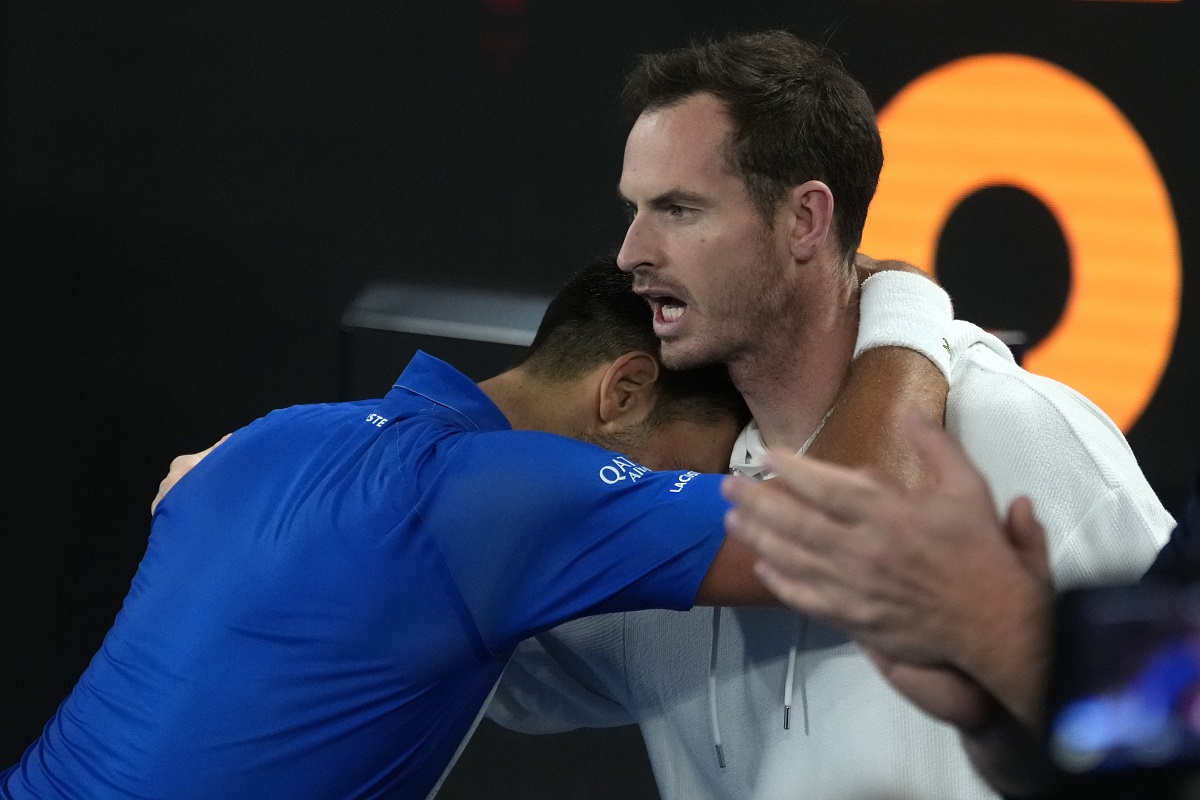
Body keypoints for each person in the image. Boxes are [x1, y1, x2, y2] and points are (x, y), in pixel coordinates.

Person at [486, 30, 1174, 800]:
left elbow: (1175, 716)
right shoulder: (667, 482)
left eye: (678, 209)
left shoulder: (1023, 432)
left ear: (806, 220)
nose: (630, 251)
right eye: (635, 210)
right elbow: (512, 679)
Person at [0, 256, 946, 800]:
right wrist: (907, 309)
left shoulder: (269, 439)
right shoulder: (516, 491)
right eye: (696, 469)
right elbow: (862, 528)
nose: (694, 493)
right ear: (623, 391)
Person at [723, 421, 1200, 797]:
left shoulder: (1035, 424)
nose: (642, 290)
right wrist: (996, 713)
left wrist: (1003, 630)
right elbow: (1137, 755)